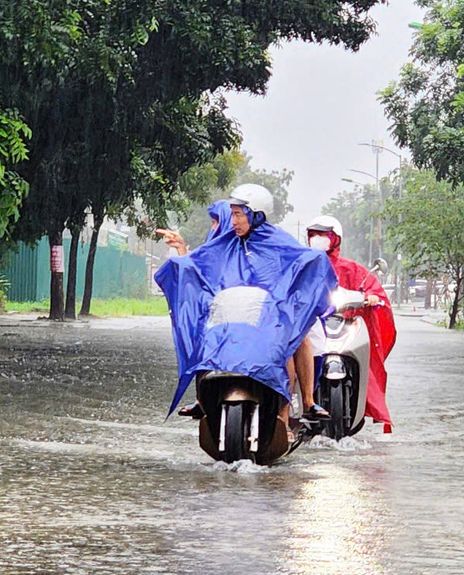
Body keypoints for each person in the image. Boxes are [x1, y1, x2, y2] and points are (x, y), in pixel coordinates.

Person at [156, 184, 337, 423]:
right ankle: (202, 399)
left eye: (239, 214)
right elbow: (200, 264)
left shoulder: (279, 241)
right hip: (236, 309)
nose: (234, 221)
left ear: (256, 214)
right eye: (232, 214)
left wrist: (317, 262)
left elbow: (304, 259)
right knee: (203, 328)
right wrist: (180, 251)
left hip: (271, 313)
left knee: (298, 336)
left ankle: (305, 404)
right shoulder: (226, 242)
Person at [304, 215, 397, 432]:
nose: (318, 239)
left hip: (341, 324)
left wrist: (373, 297)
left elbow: (371, 287)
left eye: (323, 235)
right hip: (311, 324)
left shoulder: (351, 268)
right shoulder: (304, 264)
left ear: (335, 238)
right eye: (314, 235)